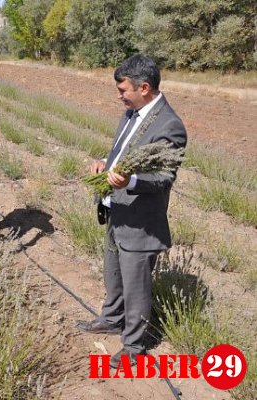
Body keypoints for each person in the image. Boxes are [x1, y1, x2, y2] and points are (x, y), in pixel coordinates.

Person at [76, 54, 187, 368]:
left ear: (145, 87)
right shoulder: (131, 113)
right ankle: (112, 318)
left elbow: (164, 178)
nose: (119, 94)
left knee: (136, 284)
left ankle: (134, 346)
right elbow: (120, 155)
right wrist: (104, 163)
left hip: (141, 221)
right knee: (114, 274)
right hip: (117, 211)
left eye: (124, 89)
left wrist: (130, 181)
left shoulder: (170, 126)